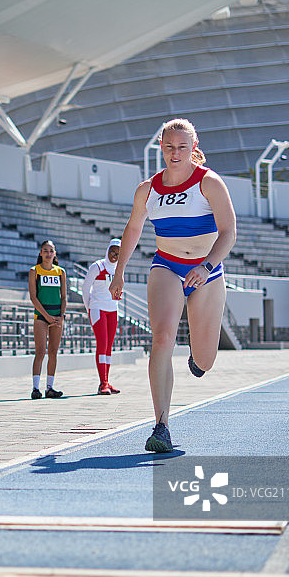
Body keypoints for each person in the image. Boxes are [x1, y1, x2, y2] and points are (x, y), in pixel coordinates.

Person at [109, 118, 236, 453]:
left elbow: (229, 233)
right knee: (162, 337)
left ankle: (198, 356)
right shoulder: (147, 189)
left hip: (206, 271)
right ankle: (161, 425)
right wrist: (119, 271)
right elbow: (133, 230)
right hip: (167, 266)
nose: (175, 153)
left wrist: (207, 266)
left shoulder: (209, 183)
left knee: (206, 361)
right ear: (161, 147)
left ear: (193, 148)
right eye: (169, 147)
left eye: (182, 147)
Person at [82, 238, 122, 395]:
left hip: (113, 310)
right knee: (102, 343)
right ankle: (102, 383)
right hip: (98, 309)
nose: (114, 255)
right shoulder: (97, 266)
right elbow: (85, 288)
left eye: (118, 253)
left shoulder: (119, 268)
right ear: (108, 250)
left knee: (109, 346)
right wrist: (89, 307)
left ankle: (107, 381)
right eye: (112, 251)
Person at [28, 240, 67, 399]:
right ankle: (35, 388)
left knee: (53, 352)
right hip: (41, 317)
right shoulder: (34, 271)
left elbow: (64, 297)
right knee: (40, 351)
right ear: (40, 253)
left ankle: (50, 388)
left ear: (55, 253)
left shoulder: (60, 272)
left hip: (57, 317)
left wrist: (61, 316)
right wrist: (47, 316)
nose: (48, 254)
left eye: (51, 251)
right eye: (45, 250)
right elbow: (33, 297)